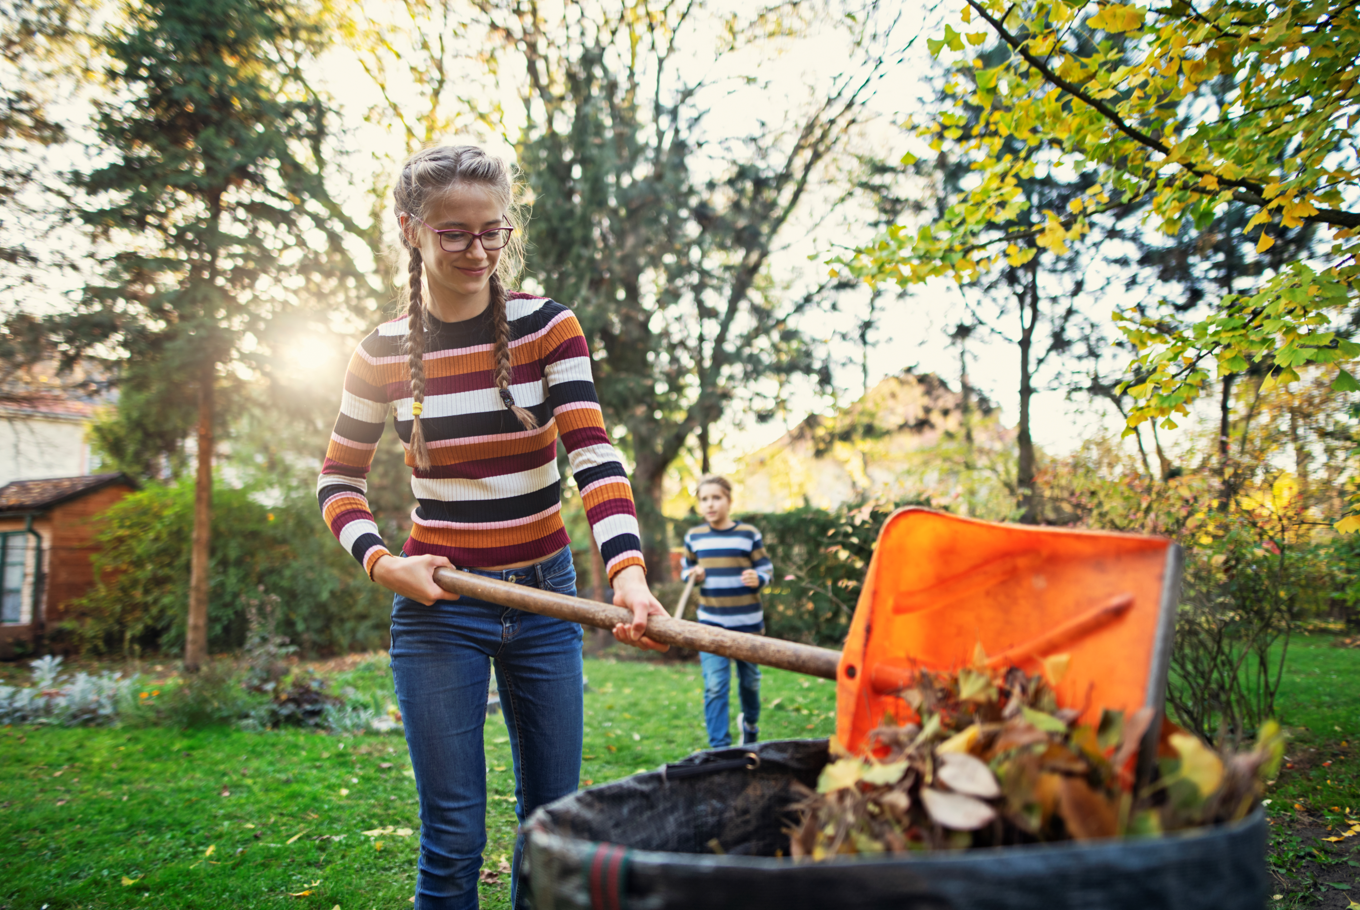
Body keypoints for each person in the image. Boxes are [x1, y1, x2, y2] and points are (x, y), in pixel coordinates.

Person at [316, 143, 667, 910]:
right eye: (455, 234)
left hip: (547, 601)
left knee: (552, 832)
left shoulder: (549, 327)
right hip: (439, 610)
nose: (478, 251)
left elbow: (595, 457)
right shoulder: (378, 353)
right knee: (451, 839)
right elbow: (336, 479)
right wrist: (382, 564)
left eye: (493, 232)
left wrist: (629, 574)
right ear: (412, 229)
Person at [680, 475, 774, 748]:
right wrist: (692, 574)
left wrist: (760, 578)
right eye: (704, 499)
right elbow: (687, 569)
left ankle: (751, 725)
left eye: (716, 498)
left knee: (751, 683)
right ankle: (720, 748)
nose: (710, 505)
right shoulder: (693, 537)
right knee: (715, 686)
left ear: (729, 501)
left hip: (748, 625)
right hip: (710, 625)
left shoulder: (748, 534)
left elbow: (766, 568)